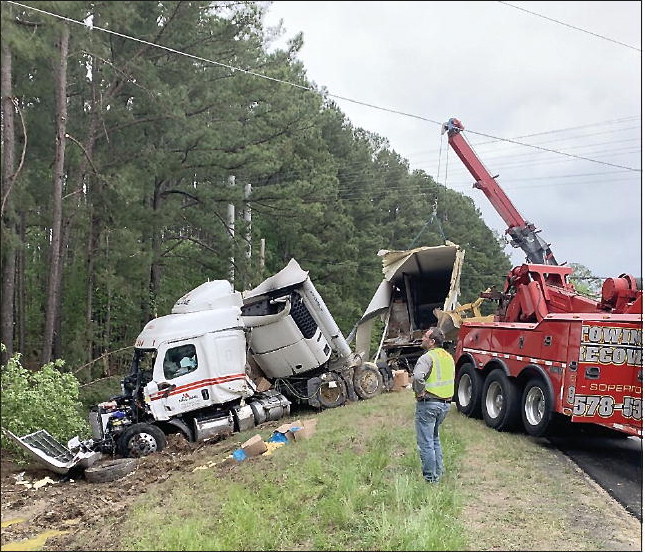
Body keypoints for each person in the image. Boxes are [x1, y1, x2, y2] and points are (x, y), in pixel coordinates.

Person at [411, 327, 455, 483]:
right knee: (435, 439)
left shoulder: (427, 357)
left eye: (425, 336)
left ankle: (431, 479)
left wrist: (419, 392)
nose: (422, 338)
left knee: (426, 442)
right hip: (445, 405)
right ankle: (439, 472)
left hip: (429, 404)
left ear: (432, 341)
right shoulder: (448, 357)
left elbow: (417, 376)